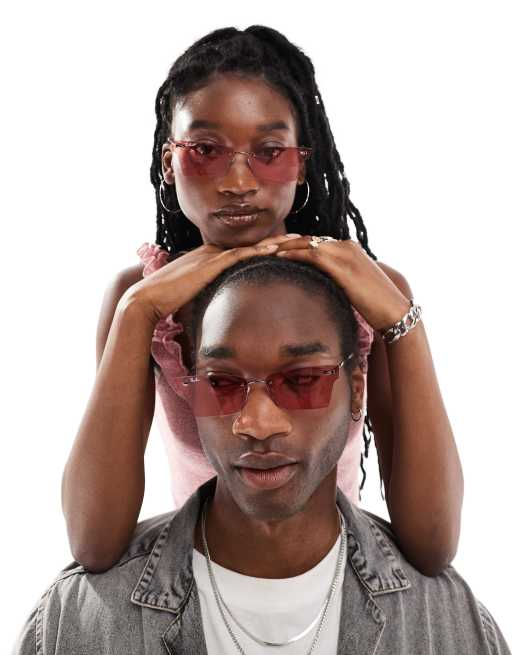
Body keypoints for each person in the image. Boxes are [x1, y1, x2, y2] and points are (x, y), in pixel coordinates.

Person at [61, 25, 463, 577]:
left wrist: (403, 322)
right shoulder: (143, 300)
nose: (238, 182)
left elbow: (433, 547)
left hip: (336, 575)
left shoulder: (368, 291)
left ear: (302, 161)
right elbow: (93, 544)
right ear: (168, 162)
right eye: (206, 151)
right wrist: (136, 313)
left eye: (269, 151)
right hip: (195, 580)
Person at [14, 256, 508, 654]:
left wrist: (404, 324)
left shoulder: (447, 623)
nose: (256, 422)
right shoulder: (74, 621)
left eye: (302, 380)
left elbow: (435, 539)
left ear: (357, 388)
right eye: (221, 383)